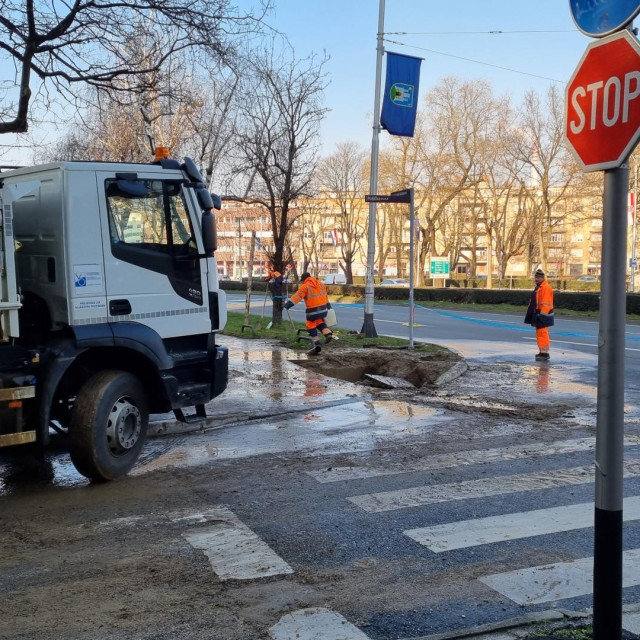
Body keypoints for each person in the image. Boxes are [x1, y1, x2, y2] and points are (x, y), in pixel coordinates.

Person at [284, 272, 334, 354]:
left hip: (313, 310)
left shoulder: (305, 286)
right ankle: (328, 333)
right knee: (319, 322)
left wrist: (288, 305)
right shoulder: (321, 284)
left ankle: (316, 341)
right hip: (323, 309)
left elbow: (297, 296)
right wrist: (328, 306)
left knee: (310, 324)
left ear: (304, 279)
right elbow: (325, 296)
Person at [524, 268, 554, 361]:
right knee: (540, 334)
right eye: (536, 277)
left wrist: (542, 315)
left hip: (542, 314)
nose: (536, 279)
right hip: (539, 313)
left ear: (542, 278)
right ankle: (542, 352)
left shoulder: (545, 288)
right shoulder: (539, 287)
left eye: (538, 277)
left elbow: (546, 303)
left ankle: (544, 353)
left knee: (542, 333)